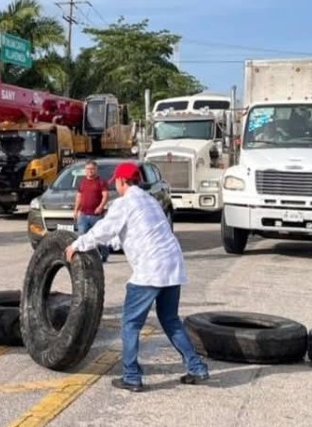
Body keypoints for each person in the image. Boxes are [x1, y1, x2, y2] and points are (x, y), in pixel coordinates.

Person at [64, 161, 209, 393]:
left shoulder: (125, 203)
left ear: (122, 182)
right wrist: (110, 244)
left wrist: (77, 244)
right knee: (171, 320)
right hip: (172, 266)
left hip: (150, 270)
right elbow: (129, 234)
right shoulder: (150, 201)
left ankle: (131, 376)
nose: (116, 187)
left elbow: (103, 229)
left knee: (130, 324)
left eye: (117, 183)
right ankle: (197, 367)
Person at [72, 160, 110, 263]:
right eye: (88, 169)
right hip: (83, 215)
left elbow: (105, 195)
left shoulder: (101, 182)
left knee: (100, 236)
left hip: (96, 215)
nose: (90, 171)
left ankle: (104, 255)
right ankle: (85, 257)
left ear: (96, 170)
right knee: (82, 236)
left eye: (92, 169)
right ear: (85, 170)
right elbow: (79, 197)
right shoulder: (82, 182)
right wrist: (76, 210)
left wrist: (101, 207)